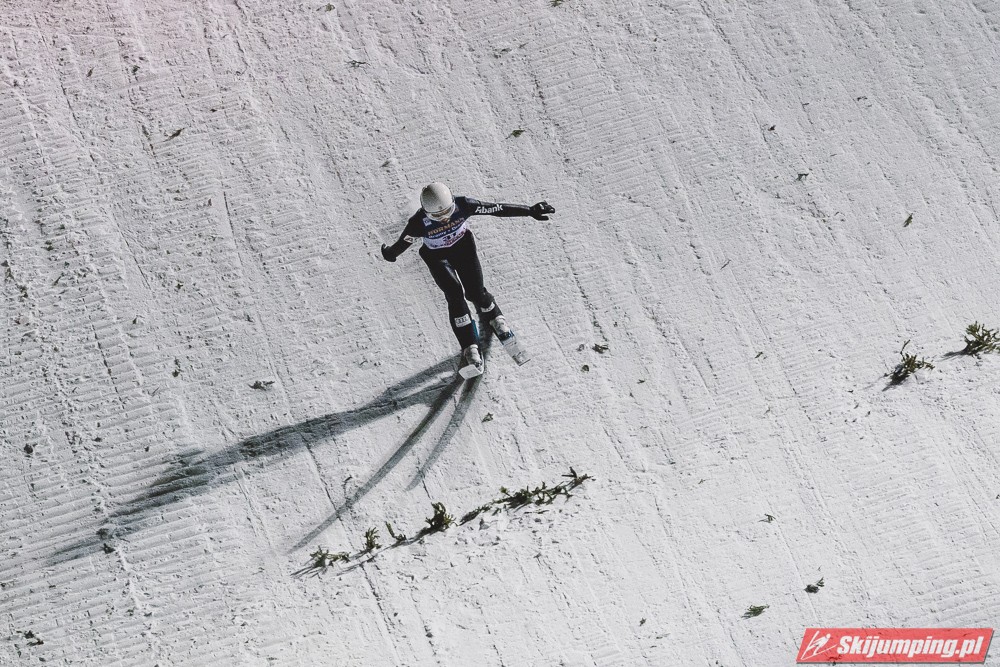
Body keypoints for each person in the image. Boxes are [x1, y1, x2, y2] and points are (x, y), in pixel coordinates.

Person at [380, 182, 555, 374]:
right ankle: (469, 345)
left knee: (475, 292)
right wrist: (392, 253)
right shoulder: (418, 223)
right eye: (437, 216)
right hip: (438, 258)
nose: (444, 218)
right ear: (425, 212)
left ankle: (493, 316)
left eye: (447, 212)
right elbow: (404, 242)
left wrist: (530, 210)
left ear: (453, 203)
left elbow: (496, 209)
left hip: (463, 249)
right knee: (454, 296)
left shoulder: (464, 205)